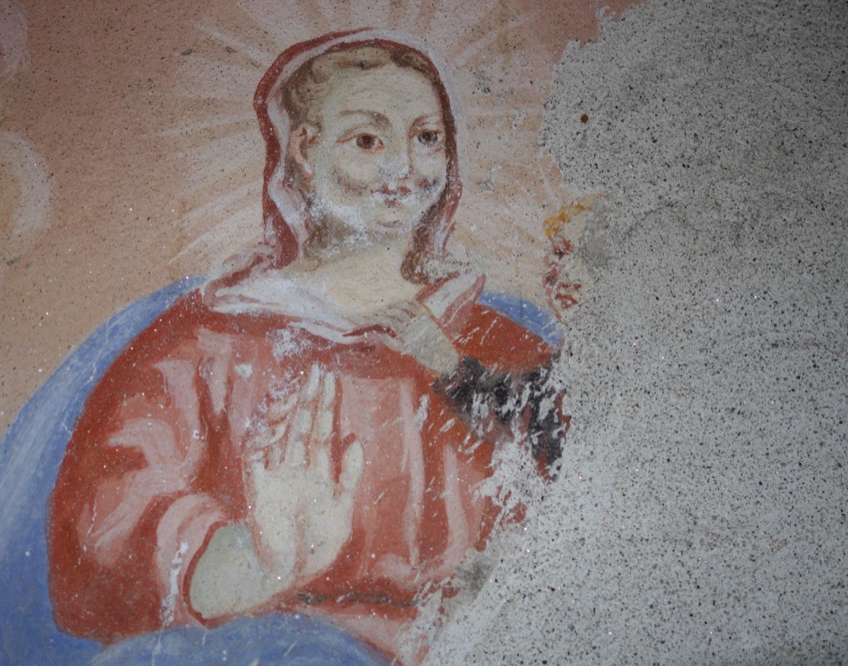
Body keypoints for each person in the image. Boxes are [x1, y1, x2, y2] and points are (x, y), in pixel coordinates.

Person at [48, 29, 565, 663]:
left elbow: (592, 483)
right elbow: (108, 513)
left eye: (428, 138)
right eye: (368, 140)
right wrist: (255, 561)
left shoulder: (494, 343)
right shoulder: (211, 342)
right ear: (304, 150)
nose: (404, 170)